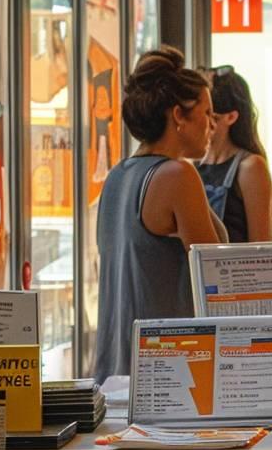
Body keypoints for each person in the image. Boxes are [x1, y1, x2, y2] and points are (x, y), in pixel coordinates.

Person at [92, 46, 225, 383]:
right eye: (207, 113)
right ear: (179, 115)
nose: (212, 125)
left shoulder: (117, 176)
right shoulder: (177, 175)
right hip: (167, 376)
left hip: (114, 373)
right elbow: (216, 281)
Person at [197, 66, 272, 243]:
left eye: (211, 116)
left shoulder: (250, 167)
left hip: (237, 261)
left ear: (231, 117)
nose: (203, 123)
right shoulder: (191, 164)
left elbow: (260, 245)